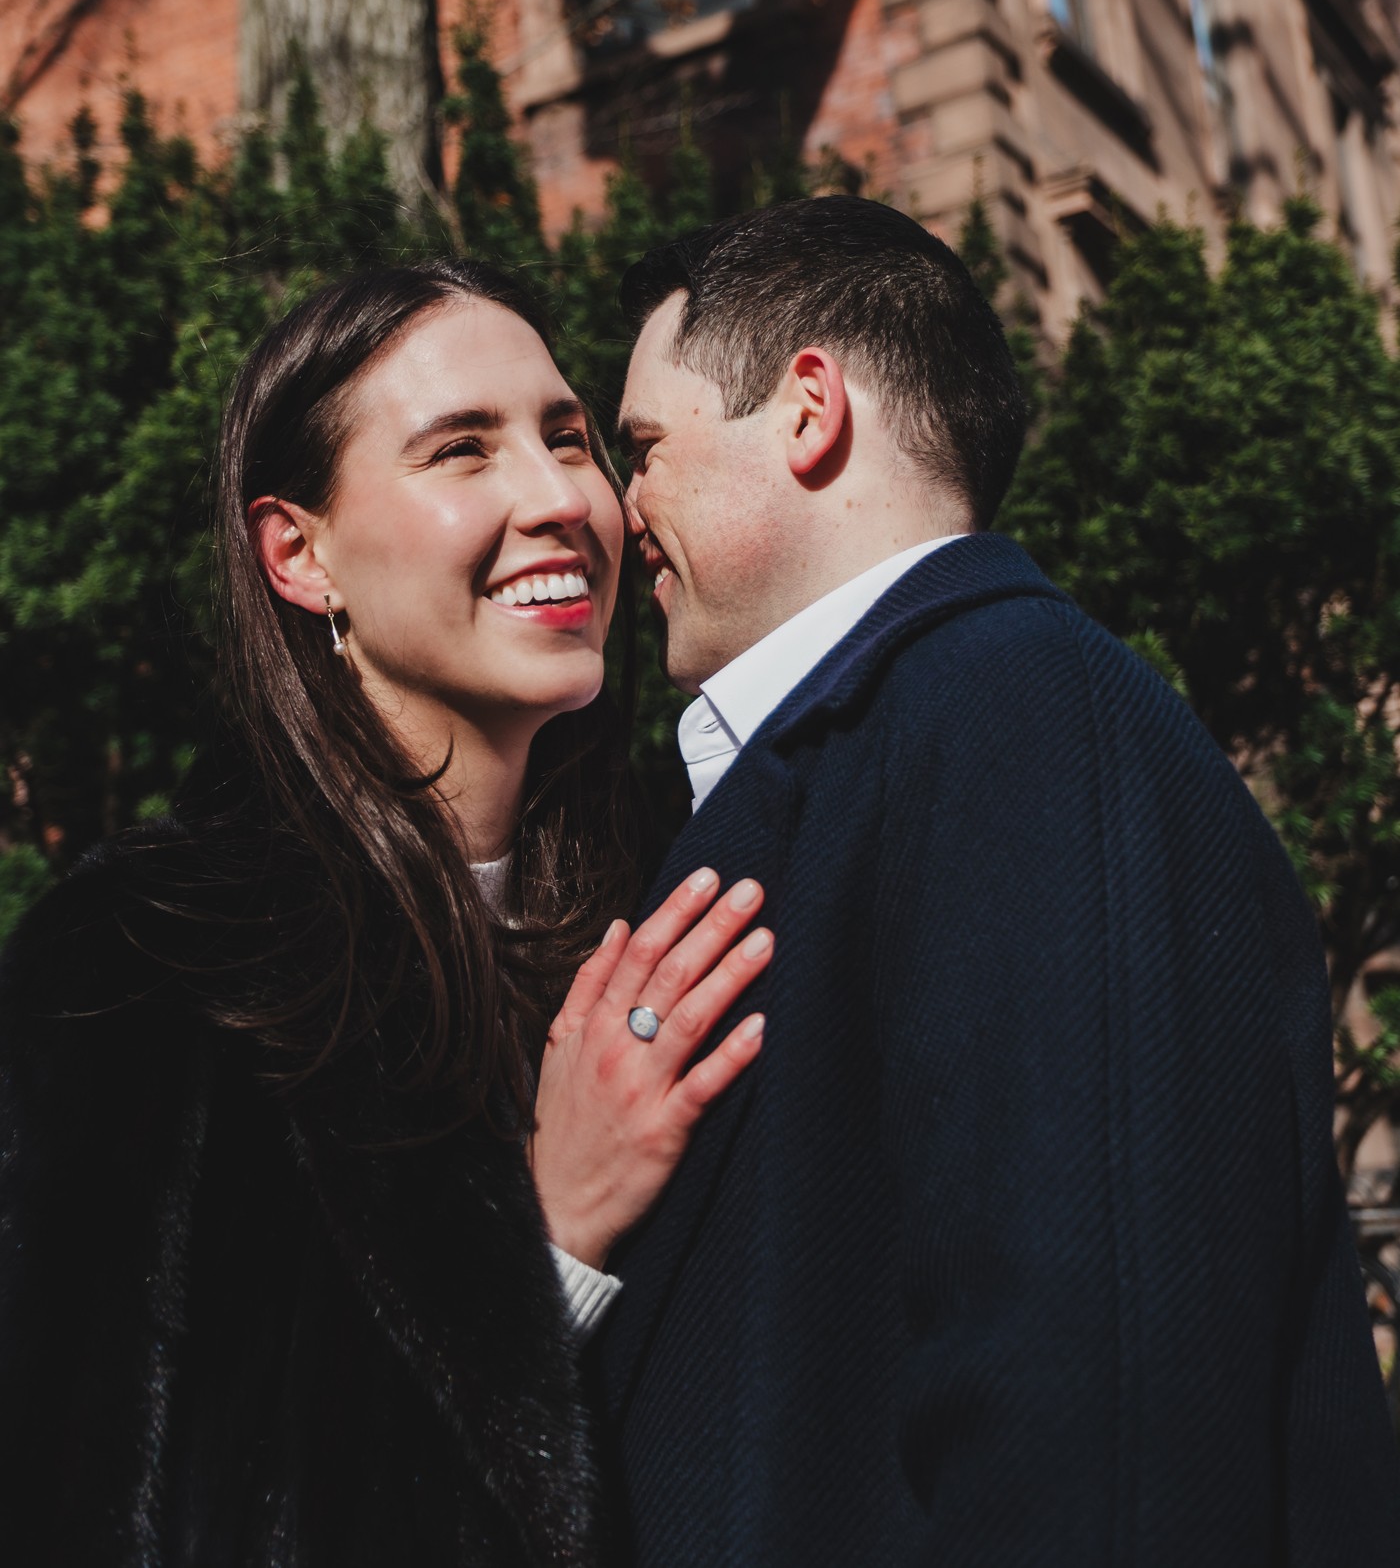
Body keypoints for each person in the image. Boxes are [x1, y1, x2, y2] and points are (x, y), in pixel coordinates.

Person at [599, 195, 1400, 1565]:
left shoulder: (1015, 713)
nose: (620, 513)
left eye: (644, 449)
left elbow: (1098, 1387)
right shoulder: (907, 735)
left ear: (808, 411)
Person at [0, 259, 773, 1568]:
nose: (559, 499)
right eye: (461, 452)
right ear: (299, 556)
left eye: (567, 436)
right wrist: (552, 1246)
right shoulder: (143, 955)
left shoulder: (677, 895)